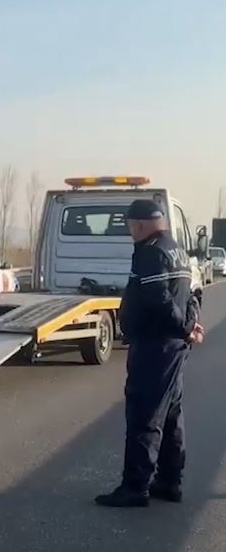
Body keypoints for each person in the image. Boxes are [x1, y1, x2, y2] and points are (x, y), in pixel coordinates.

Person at [95, 199, 204, 508]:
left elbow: (158, 299)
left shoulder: (150, 252)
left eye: (130, 226)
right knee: (170, 416)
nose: (131, 232)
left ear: (139, 224)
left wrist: (184, 328)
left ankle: (135, 487)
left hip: (156, 346)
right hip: (172, 347)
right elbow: (193, 294)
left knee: (144, 415)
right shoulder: (177, 249)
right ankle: (169, 482)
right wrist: (189, 325)